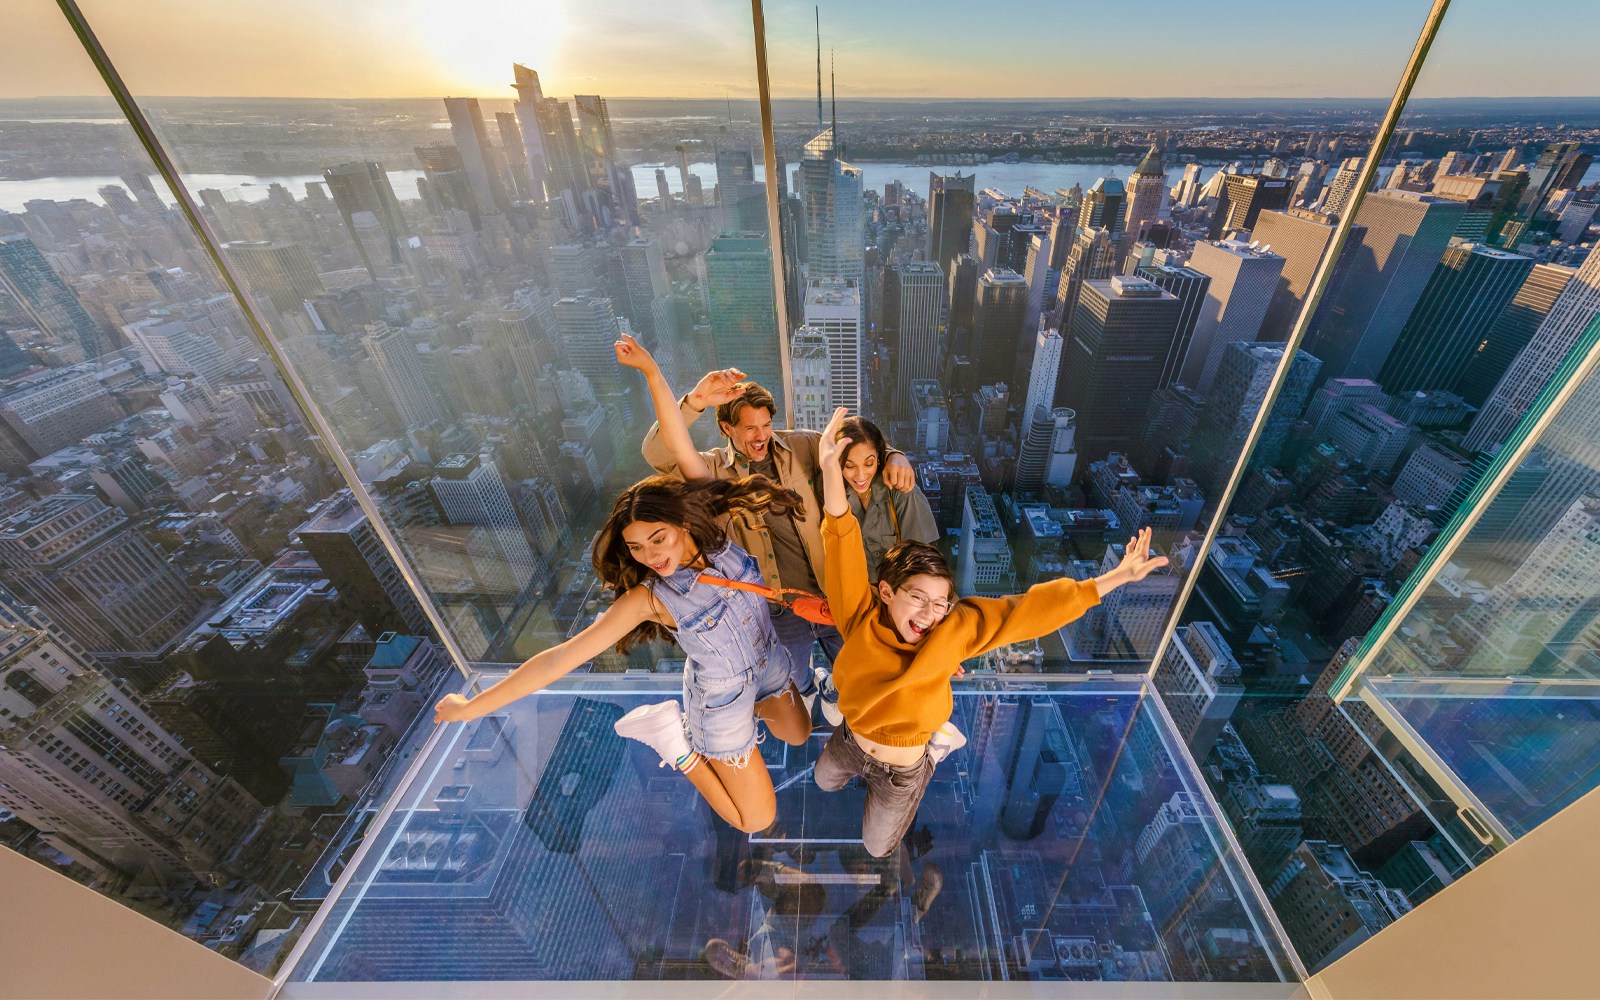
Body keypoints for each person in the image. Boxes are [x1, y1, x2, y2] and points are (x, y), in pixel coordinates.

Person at [433, 350, 816, 836]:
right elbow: (558, 659)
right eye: (637, 548)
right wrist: (473, 708)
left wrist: (656, 373)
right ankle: (674, 742)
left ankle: (752, 724)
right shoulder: (651, 597)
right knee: (756, 820)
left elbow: (678, 446)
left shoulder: (715, 532)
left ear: (682, 521)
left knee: (799, 732)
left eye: (659, 539)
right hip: (720, 699)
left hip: (768, 661)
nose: (652, 556)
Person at [812, 407, 1169, 857]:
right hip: (851, 738)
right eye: (918, 598)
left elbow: (1027, 612)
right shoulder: (859, 613)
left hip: (901, 769)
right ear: (885, 591)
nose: (929, 615)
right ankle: (864, 743)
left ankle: (930, 757)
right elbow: (840, 537)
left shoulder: (952, 629)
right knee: (822, 781)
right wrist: (829, 469)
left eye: (941, 603)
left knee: (878, 848)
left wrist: (1112, 579)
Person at [639, 349, 918, 713]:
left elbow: (857, 447)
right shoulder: (710, 470)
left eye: (766, 425)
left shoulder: (801, 444)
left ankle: (836, 692)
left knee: (857, 665)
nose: (761, 436)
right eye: (750, 428)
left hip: (832, 591)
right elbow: (656, 453)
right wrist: (695, 402)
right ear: (727, 428)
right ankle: (810, 687)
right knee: (793, 675)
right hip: (779, 608)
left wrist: (895, 455)